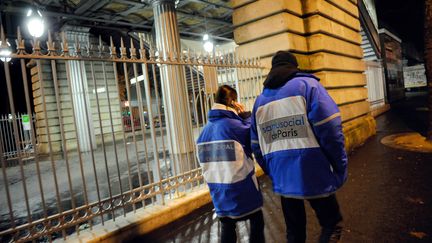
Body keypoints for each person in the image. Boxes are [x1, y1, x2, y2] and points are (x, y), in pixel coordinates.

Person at [250, 51, 347, 243]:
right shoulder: (308, 86)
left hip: (283, 176)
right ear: (294, 68)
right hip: (314, 170)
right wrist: (339, 164)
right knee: (331, 223)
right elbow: (330, 129)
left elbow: (256, 145)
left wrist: (273, 171)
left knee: (294, 232)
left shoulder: (259, 102)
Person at [196, 85, 265, 243]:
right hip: (241, 188)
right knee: (256, 220)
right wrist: (246, 115)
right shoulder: (233, 126)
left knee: (227, 226)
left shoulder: (204, 132)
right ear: (233, 102)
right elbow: (252, 136)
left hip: (218, 191)